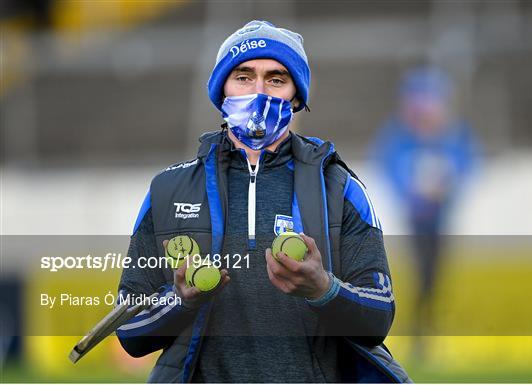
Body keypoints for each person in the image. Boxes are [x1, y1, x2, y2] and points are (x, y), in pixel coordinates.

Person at [116, 20, 411, 383]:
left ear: (296, 96)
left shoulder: (340, 187)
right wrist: (181, 298)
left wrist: (323, 287)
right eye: (243, 77)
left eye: (275, 79)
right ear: (221, 90)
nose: (259, 91)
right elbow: (129, 330)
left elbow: (379, 317)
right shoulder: (168, 189)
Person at [370, 67, 479, 349]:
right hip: (415, 218)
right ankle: (415, 328)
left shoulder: (454, 136)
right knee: (418, 270)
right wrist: (411, 195)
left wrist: (446, 187)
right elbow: (389, 168)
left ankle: (427, 326)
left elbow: (467, 166)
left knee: (434, 271)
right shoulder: (399, 138)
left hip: (439, 216)